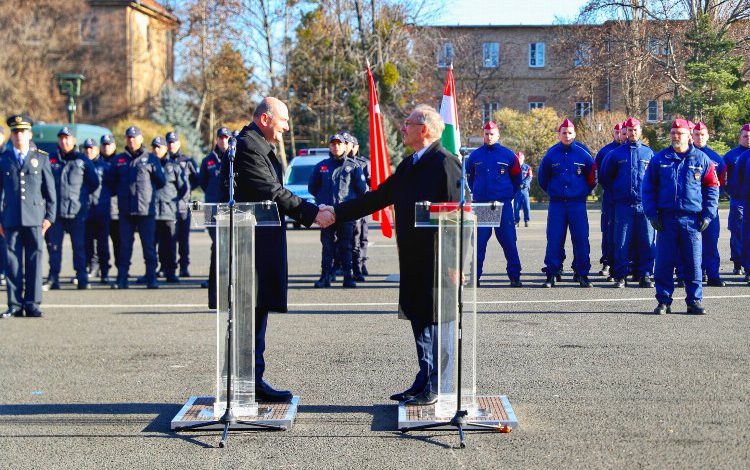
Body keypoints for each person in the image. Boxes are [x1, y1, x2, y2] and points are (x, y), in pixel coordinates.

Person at [332, 104, 464, 406]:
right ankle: (423, 377)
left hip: (437, 259)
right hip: (413, 257)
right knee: (418, 316)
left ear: (425, 128)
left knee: (435, 318)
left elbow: (456, 215)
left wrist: (455, 261)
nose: (402, 128)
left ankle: (435, 385)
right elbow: (378, 197)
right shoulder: (409, 164)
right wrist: (335, 212)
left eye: (408, 122)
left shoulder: (446, 163)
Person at [219, 97, 334, 402]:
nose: (286, 127)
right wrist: (311, 213)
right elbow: (270, 191)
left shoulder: (257, 145)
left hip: (259, 243)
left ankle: (251, 379)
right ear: (266, 119)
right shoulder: (246, 147)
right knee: (249, 315)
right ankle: (246, 382)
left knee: (256, 314)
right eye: (283, 121)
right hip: (250, 247)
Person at [642, 119, 719, 315]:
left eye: (680, 133)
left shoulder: (701, 159)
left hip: (692, 220)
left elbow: (712, 188)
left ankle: (694, 301)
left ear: (689, 135)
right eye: (673, 132)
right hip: (666, 219)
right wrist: (651, 214)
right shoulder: (659, 159)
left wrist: (708, 215)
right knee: (664, 263)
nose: (676, 136)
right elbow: (648, 188)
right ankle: (664, 301)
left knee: (693, 263)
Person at [0, 115, 56, 318]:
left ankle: (32, 303)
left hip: (35, 218)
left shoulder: (40, 157)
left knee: (34, 259)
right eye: (15, 132)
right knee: (12, 262)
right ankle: (14, 304)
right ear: (11, 135)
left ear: (30, 133)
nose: (19, 135)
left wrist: (49, 217)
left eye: (22, 131)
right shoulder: (4, 159)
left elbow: (50, 191)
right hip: (11, 218)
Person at [537, 118, 596, 288]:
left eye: (570, 133)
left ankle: (582, 273)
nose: (567, 136)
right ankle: (552, 273)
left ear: (575, 134)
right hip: (557, 204)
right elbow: (542, 178)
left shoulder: (584, 154)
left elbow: (592, 179)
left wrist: (581, 192)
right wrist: (553, 192)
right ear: (559, 134)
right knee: (554, 239)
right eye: (564, 133)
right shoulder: (551, 154)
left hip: (577, 203)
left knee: (581, 239)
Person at [465, 120, 523, 287]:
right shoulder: (475, 156)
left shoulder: (508, 155)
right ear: (483, 135)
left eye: (492, 134)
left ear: (498, 135)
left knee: (509, 241)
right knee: (479, 243)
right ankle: (474, 277)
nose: (489, 137)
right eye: (486, 134)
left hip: (502, 204)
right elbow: (470, 177)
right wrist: (479, 192)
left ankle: (515, 276)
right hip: (482, 206)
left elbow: (517, 178)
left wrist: (507, 195)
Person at [599, 117, 655, 288]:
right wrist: (618, 193)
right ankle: (620, 275)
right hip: (623, 206)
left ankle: (645, 275)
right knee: (621, 241)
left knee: (646, 241)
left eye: (636, 130)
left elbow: (655, 178)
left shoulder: (649, 153)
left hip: (644, 205)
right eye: (629, 130)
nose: (632, 133)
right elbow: (605, 178)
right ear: (626, 132)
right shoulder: (615, 154)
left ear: (640, 132)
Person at [110, 126, 166, 289]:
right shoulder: (119, 160)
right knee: (124, 247)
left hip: (145, 210)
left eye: (134, 137)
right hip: (126, 210)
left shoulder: (150, 158)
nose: (131, 140)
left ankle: (151, 278)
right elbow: (110, 182)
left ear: (141, 139)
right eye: (129, 137)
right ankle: (122, 279)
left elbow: (161, 181)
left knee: (148, 246)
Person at [308, 134, 367, 288]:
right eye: (333, 144)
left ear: (344, 146)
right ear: (330, 146)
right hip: (326, 214)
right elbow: (312, 187)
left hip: (345, 213)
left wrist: (351, 206)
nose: (336, 146)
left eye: (339, 144)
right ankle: (325, 277)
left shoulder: (354, 166)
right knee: (327, 247)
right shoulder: (322, 166)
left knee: (346, 246)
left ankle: (348, 277)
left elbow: (362, 189)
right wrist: (322, 202)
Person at [45, 127, 100, 289]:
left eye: (67, 138)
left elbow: (94, 182)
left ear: (73, 140)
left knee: (79, 246)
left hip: (77, 212)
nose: (64, 141)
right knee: (54, 247)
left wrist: (81, 197)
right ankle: (53, 278)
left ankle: (82, 277)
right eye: (61, 138)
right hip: (56, 212)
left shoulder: (82, 160)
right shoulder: (51, 159)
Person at [692, 122, 727, 286]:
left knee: (710, 242)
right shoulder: (685, 155)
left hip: (709, 208)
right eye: (696, 134)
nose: (699, 137)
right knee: (687, 243)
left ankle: (712, 274)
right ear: (692, 136)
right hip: (689, 207)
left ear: (708, 136)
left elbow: (719, 184)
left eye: (702, 134)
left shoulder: (717, 159)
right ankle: (688, 275)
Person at [198, 127, 231, 304]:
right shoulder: (208, 160)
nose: (223, 141)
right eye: (221, 138)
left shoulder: (234, 158)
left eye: (226, 138)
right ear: (217, 140)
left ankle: (225, 278)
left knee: (226, 243)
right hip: (212, 207)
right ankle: (215, 279)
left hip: (229, 207)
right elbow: (202, 181)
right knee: (217, 243)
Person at [154, 137, 187, 283]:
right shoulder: (149, 164)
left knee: (170, 243)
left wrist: (174, 204)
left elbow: (183, 188)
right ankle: (155, 270)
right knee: (153, 244)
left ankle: (171, 272)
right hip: (153, 212)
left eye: (159, 147)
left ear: (165, 149)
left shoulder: (173, 166)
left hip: (169, 211)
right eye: (154, 147)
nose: (156, 149)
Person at [166, 131, 199, 278]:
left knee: (183, 239)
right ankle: (168, 266)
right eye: (169, 142)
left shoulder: (188, 160)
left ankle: (184, 266)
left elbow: (197, 179)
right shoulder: (163, 160)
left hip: (184, 206)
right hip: (168, 207)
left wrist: (187, 190)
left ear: (179, 143)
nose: (171, 144)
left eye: (174, 142)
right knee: (168, 239)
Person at [594, 122, 625, 277]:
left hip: (628, 200)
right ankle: (607, 262)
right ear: (613, 133)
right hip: (611, 198)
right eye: (617, 132)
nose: (620, 135)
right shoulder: (605, 151)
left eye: (622, 132)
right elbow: (600, 175)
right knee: (608, 231)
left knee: (626, 234)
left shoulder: (633, 151)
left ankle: (629, 264)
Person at [83, 138, 113, 284]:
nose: (89, 151)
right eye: (86, 148)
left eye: (92, 148)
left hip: (102, 210)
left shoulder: (105, 166)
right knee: (87, 243)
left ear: (97, 149)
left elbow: (113, 185)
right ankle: (91, 268)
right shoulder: (80, 165)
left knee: (103, 243)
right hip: (86, 210)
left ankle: (105, 272)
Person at [723, 124, 749, 275]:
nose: (748, 139)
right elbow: (724, 178)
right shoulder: (731, 156)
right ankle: (737, 263)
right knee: (737, 232)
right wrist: (733, 192)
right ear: (740, 137)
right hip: (738, 200)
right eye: (745, 136)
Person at [348, 134, 371, 281]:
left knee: (362, 236)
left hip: (362, 205)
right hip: (348, 204)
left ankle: (361, 264)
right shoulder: (339, 163)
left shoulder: (364, 163)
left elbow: (370, 182)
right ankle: (342, 265)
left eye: (353, 145)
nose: (351, 149)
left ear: (357, 148)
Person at [513, 151, 532, 228]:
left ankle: (526, 220)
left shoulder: (527, 167)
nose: (519, 159)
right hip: (516, 190)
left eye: (520, 158)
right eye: (517, 158)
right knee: (516, 207)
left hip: (524, 190)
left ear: (523, 158)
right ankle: (516, 221)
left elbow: (529, 177)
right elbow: (512, 178)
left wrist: (523, 184)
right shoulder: (513, 168)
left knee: (526, 206)